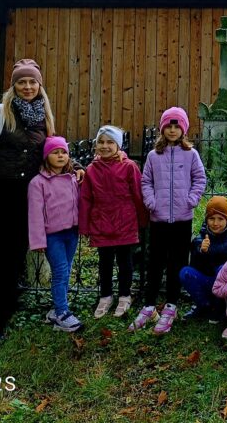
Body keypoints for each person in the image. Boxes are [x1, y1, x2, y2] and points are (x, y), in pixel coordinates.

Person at [0, 58, 56, 341]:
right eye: (22, 82)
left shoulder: (43, 117)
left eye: (32, 82)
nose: (27, 87)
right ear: (13, 86)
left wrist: (74, 169)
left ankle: (7, 309)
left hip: (27, 195)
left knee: (16, 255)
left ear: (39, 85)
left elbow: (51, 152)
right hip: (0, 192)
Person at [138, 106, 207, 334]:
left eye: (177, 126)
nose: (173, 130)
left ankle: (171, 304)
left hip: (182, 218)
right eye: (169, 125)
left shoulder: (191, 155)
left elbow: (199, 179)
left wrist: (191, 199)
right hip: (158, 219)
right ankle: (149, 305)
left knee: (177, 261)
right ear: (162, 128)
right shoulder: (153, 156)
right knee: (155, 261)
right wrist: (151, 201)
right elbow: (146, 181)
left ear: (184, 129)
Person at [79, 125, 147, 320]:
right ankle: (105, 295)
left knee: (125, 262)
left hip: (124, 221)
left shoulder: (129, 167)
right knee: (105, 262)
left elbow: (137, 194)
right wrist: (84, 225)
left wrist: (142, 220)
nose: (105, 146)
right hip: (101, 222)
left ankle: (125, 295)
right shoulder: (92, 169)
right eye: (101, 142)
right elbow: (86, 199)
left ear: (118, 145)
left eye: (110, 142)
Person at [28, 136, 82, 333]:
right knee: (60, 272)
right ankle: (62, 313)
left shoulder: (73, 178)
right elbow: (35, 214)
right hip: (53, 236)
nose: (60, 156)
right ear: (46, 156)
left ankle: (56, 309)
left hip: (71, 233)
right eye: (55, 152)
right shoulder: (38, 183)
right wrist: (38, 241)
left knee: (66, 271)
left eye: (64, 152)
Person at [173, 195, 227, 326]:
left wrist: (214, 251)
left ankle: (221, 307)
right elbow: (195, 265)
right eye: (211, 219)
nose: (215, 223)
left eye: (220, 219)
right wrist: (201, 250)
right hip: (207, 280)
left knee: (222, 269)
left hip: (225, 286)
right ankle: (204, 306)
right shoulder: (201, 237)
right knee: (185, 272)